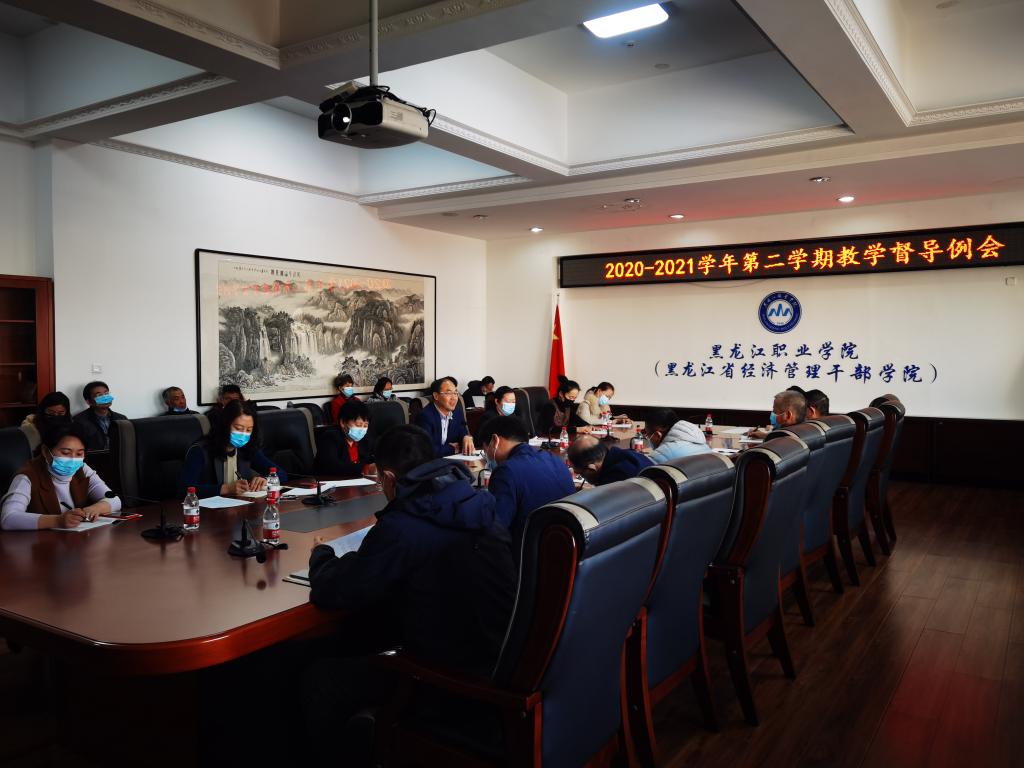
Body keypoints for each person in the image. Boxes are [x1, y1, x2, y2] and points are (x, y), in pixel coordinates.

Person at [304, 424, 516, 761]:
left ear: (388, 477)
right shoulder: (479, 504)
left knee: (321, 679)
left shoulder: (403, 525)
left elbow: (335, 592)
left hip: (451, 682)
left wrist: (322, 555)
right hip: (500, 660)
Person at [1, 421, 122, 530]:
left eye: (79, 454)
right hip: (39, 544)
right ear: (45, 451)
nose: (73, 459)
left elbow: (115, 500)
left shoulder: (82, 469)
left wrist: (95, 509)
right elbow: (8, 518)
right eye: (65, 452)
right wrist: (57, 521)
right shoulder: (27, 476)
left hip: (76, 541)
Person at [477, 416, 576, 540]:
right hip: (563, 542)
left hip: (526, 547)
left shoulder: (505, 471)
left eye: (486, 451)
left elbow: (496, 528)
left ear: (494, 440)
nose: (488, 457)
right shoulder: (555, 460)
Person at [178, 399, 286, 498]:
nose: (243, 435)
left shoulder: (247, 448)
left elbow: (281, 473)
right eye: (238, 428)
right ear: (225, 425)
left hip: (241, 508)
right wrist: (225, 489)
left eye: (249, 430)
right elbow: (183, 489)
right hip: (208, 510)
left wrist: (266, 480)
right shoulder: (200, 451)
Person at [415, 376, 473, 457]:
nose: (454, 398)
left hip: (452, 460)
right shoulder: (425, 416)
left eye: (455, 393)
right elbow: (426, 449)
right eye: (448, 393)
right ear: (436, 396)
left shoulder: (457, 413)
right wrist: (452, 449)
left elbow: (462, 429)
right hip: (431, 462)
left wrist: (466, 437)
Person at [314, 399, 373, 477]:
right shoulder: (330, 438)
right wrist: (365, 468)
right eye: (358, 425)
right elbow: (333, 467)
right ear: (343, 422)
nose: (362, 429)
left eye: (365, 425)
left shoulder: (365, 439)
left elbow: (370, 459)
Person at [568, 435, 653, 486]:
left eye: (581, 474)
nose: (583, 478)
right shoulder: (627, 454)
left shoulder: (614, 479)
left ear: (591, 468)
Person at [72, 381, 127, 451]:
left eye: (106, 393)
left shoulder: (122, 418)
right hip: (94, 457)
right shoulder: (79, 421)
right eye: (99, 395)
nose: (105, 398)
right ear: (89, 402)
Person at [645, 408, 712, 464]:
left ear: (657, 435)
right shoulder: (702, 443)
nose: (648, 438)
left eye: (647, 434)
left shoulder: (659, 456)